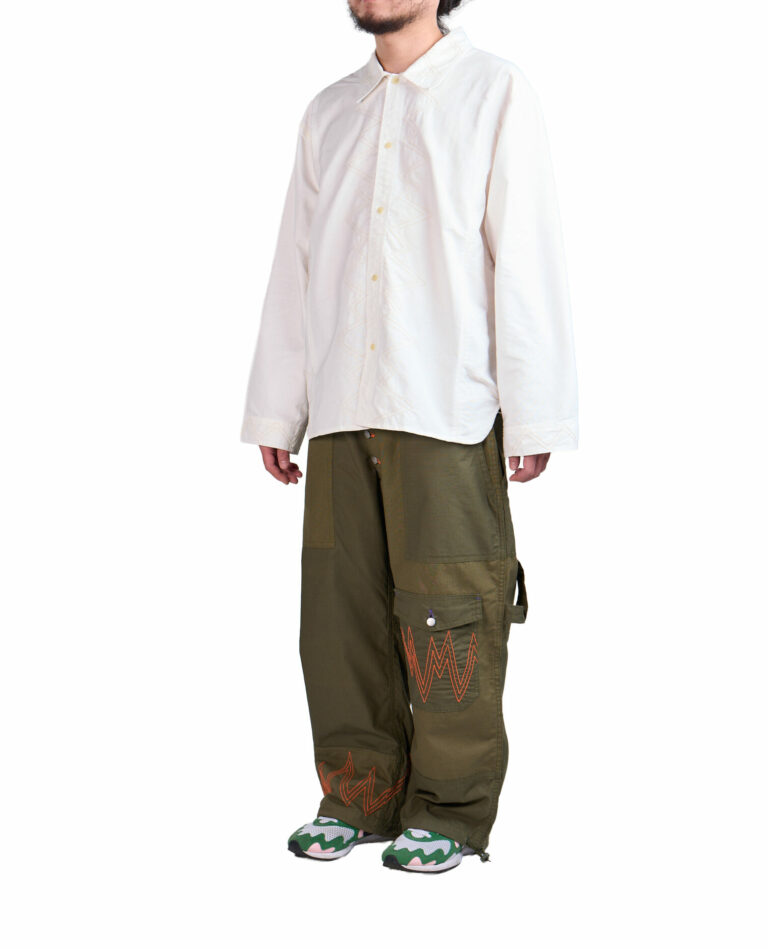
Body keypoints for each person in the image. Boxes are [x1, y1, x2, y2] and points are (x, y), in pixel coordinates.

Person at [240, 0, 578, 873]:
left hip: (447, 409)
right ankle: (358, 795)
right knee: (339, 616)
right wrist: (279, 407)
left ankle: (451, 810)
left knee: (450, 615)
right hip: (340, 410)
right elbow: (295, 264)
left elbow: (526, 255)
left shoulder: (494, 92)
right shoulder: (329, 112)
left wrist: (535, 410)